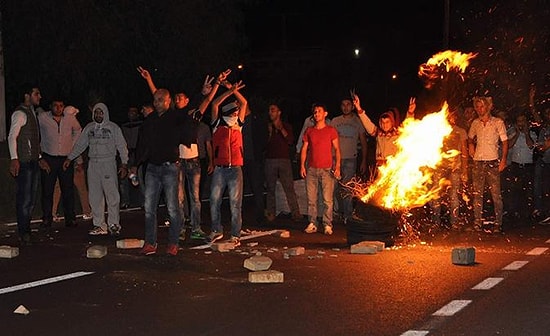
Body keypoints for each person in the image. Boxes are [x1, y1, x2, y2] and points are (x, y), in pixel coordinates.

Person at [137, 67, 229, 241]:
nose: (178, 99)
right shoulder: (173, 115)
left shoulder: (193, 114)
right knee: (178, 199)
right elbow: (159, 97)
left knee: (194, 197)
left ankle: (195, 227)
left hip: (193, 160)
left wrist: (216, 83)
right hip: (177, 160)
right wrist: (149, 79)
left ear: (187, 100)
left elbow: (207, 100)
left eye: (181, 97)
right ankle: (179, 228)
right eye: (176, 97)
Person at [63, 103, 129, 236]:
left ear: (105, 113)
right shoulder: (89, 128)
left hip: (108, 163)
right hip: (93, 164)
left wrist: (124, 164)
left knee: (112, 195)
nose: (98, 115)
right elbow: (80, 144)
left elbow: (122, 146)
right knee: (94, 195)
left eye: (101, 113)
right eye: (96, 113)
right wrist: (70, 158)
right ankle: (99, 224)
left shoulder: (113, 128)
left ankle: (114, 224)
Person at [207, 80, 248, 247]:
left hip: (236, 168)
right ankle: (217, 229)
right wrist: (229, 91)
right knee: (214, 200)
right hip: (220, 169)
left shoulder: (238, 125)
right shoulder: (218, 124)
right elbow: (215, 103)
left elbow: (244, 102)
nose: (238, 111)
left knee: (235, 203)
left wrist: (232, 88)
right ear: (231, 112)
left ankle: (235, 234)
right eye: (235, 111)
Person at [37, 98, 82, 230]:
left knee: (67, 189)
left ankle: (70, 218)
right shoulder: (43, 117)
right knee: (47, 190)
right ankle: (46, 218)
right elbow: (35, 133)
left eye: (61, 105)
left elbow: (78, 130)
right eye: (55, 105)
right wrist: (39, 152)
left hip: (65, 158)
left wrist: (72, 147)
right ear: (51, 106)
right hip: (49, 157)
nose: (58, 108)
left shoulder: (69, 118)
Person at [7, 84, 42, 246]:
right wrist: (14, 159)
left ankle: (26, 229)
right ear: (27, 96)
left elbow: (33, 140)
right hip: (25, 162)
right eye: (36, 94)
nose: (39, 97)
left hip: (33, 160)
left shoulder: (33, 113)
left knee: (31, 197)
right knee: (25, 198)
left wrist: (40, 156)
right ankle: (23, 231)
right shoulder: (20, 114)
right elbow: (12, 136)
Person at [467, 96, 508, 233]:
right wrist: (471, 145)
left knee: (496, 194)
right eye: (477, 107)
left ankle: (498, 223)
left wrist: (503, 160)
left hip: (492, 162)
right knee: (477, 194)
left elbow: (505, 142)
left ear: (488, 107)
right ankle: (477, 222)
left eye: (481, 106)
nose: (479, 109)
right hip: (478, 162)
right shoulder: (475, 123)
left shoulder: (498, 122)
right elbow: (470, 138)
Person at [300, 103, 341, 235]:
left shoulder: (331, 130)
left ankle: (327, 224)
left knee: (327, 199)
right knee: (311, 199)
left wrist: (338, 166)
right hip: (312, 168)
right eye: (315, 112)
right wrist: (302, 165)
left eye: (319, 111)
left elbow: (337, 149)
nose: (316, 114)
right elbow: (304, 149)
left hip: (327, 169)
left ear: (325, 114)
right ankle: (312, 222)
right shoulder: (309, 131)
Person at [352, 93, 416, 171]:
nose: (385, 125)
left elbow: (408, 124)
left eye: (387, 122)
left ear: (392, 122)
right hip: (381, 170)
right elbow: (367, 123)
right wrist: (359, 108)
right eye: (383, 122)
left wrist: (410, 112)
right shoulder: (378, 133)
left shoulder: (398, 133)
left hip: (394, 169)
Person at [330, 97, 368, 224]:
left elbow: (363, 142)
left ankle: (348, 215)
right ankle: (339, 211)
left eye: (348, 105)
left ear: (352, 106)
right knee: (335, 188)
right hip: (335, 159)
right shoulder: (335, 121)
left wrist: (364, 160)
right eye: (343, 104)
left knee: (347, 188)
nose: (345, 107)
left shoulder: (357, 122)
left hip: (351, 159)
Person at [430, 108, 469, 229]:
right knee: (436, 195)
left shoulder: (460, 132)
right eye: (448, 116)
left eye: (452, 116)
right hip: (439, 167)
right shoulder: (438, 131)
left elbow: (464, 152)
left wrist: (464, 170)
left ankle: (454, 223)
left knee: (454, 196)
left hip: (454, 168)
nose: (450, 118)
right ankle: (436, 223)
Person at [52, 106, 92, 222]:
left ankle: (53, 213)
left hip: (65, 162)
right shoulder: (73, 128)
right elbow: (76, 148)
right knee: (80, 188)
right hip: (70, 163)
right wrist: (79, 162)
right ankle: (87, 211)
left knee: (60, 188)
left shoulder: (64, 127)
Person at [264, 103, 302, 223]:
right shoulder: (267, 127)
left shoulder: (286, 126)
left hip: (284, 160)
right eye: (270, 110)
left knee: (289, 188)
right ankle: (271, 213)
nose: (270, 113)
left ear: (279, 112)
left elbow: (290, 141)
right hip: (270, 160)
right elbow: (264, 145)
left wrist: (281, 129)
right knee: (270, 188)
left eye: (273, 110)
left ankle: (296, 213)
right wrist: (269, 133)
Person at [505, 113, 537, 222]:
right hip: (515, 166)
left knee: (527, 191)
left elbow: (531, 145)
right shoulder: (512, 133)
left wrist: (526, 133)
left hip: (527, 166)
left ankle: (527, 215)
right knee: (515, 190)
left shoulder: (532, 133)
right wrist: (517, 134)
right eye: (519, 121)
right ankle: (514, 214)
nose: (521, 123)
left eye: (523, 121)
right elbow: (508, 145)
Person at [120, 106, 143, 209]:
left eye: (134, 112)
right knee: (123, 178)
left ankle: (143, 201)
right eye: (130, 112)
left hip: (137, 154)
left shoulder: (141, 124)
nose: (132, 114)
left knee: (140, 178)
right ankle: (125, 201)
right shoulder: (123, 125)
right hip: (127, 153)